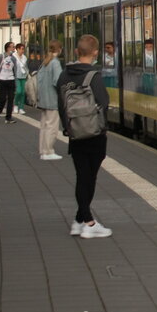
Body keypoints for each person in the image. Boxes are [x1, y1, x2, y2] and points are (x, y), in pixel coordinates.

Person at [57, 34, 112, 238]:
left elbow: (61, 104)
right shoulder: (94, 76)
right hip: (95, 134)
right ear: (95, 52)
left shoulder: (64, 76)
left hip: (74, 133)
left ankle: (78, 221)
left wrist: (68, 128)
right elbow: (104, 102)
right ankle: (88, 223)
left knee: (82, 175)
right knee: (90, 177)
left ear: (77, 52)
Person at [36, 40, 64, 161]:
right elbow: (57, 81)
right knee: (52, 126)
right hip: (53, 100)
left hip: (43, 99)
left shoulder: (45, 62)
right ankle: (48, 151)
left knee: (44, 125)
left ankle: (43, 151)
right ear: (60, 49)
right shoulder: (55, 63)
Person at [0, 41, 17, 123]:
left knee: (11, 99)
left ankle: (8, 117)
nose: (14, 49)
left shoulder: (14, 58)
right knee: (2, 99)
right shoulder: (1, 56)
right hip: (2, 81)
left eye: (14, 47)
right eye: (12, 47)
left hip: (11, 80)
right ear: (7, 48)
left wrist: (15, 82)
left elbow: (15, 70)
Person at [13, 43, 30, 115]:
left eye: (23, 49)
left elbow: (26, 67)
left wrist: (28, 74)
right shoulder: (13, 57)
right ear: (17, 49)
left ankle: (21, 108)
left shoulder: (24, 57)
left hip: (23, 76)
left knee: (23, 92)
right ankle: (16, 105)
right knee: (18, 91)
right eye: (22, 49)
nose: (23, 50)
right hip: (16, 76)